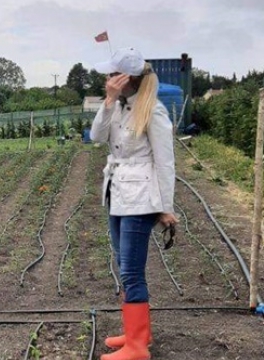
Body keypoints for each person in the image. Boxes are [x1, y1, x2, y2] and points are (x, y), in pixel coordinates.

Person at [90, 47, 178, 360]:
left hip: (141, 199)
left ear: (127, 78)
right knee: (121, 262)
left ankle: (137, 348)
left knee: (131, 272)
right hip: (116, 192)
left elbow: (165, 162)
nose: (107, 78)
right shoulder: (119, 105)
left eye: (112, 74)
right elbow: (96, 137)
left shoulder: (152, 111)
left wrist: (166, 207)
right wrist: (109, 101)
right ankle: (137, 333)